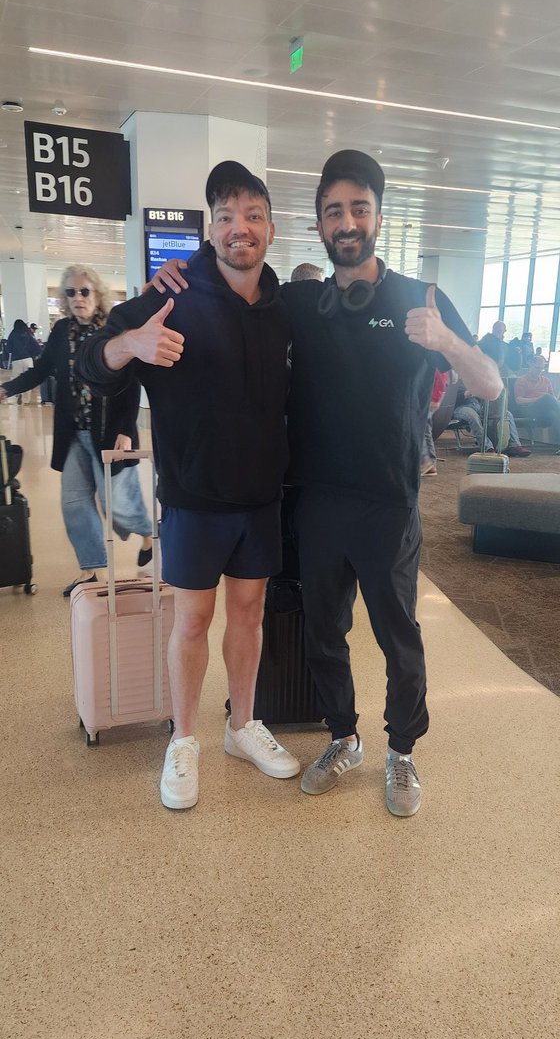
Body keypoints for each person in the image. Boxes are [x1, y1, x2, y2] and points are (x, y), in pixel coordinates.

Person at [146, 149, 502, 819]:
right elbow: (236, 270)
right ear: (318, 224)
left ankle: (402, 752)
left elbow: (489, 385)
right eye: (334, 211)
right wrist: (183, 267)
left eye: (359, 208)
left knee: (398, 636)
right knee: (323, 632)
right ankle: (342, 737)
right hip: (314, 502)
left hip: (389, 503)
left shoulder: (419, 298)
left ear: (378, 217)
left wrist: (448, 343)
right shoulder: (302, 302)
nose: (347, 222)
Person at [75, 162, 300, 812]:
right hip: (195, 498)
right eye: (225, 217)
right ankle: (183, 739)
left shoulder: (284, 308)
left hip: (261, 497)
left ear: (271, 229)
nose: (239, 229)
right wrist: (130, 345)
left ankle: (241, 726)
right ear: (210, 229)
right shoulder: (172, 294)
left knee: (249, 615)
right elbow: (92, 364)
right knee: (193, 619)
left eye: (252, 216)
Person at [0, 265, 153, 595]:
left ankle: (148, 536)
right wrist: (7, 389)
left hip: (109, 432)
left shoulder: (113, 329)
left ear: (97, 294)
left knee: (116, 504)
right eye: (70, 292)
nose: (78, 298)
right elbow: (41, 370)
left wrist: (126, 429)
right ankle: (91, 569)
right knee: (74, 502)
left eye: (84, 291)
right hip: (72, 434)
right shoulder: (61, 332)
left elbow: (131, 382)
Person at [453, 382, 531, 457]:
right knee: (473, 416)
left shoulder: (473, 381)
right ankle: (487, 447)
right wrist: (464, 395)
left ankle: (515, 445)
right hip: (460, 407)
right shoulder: (452, 382)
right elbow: (448, 399)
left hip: (478, 405)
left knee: (507, 413)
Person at [513, 355, 560, 451]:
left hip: (545, 410)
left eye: (541, 368)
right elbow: (519, 400)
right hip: (528, 408)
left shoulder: (546, 380)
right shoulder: (521, 380)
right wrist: (538, 399)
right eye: (537, 368)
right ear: (530, 365)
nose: (539, 371)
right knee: (547, 397)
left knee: (554, 414)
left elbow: (553, 399)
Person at [4, 319, 41, 403]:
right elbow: (36, 347)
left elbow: (8, 349)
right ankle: (26, 400)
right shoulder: (28, 333)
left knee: (17, 379)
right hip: (28, 359)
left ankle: (18, 393)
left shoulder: (13, 334)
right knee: (28, 379)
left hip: (16, 360)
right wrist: (33, 354)